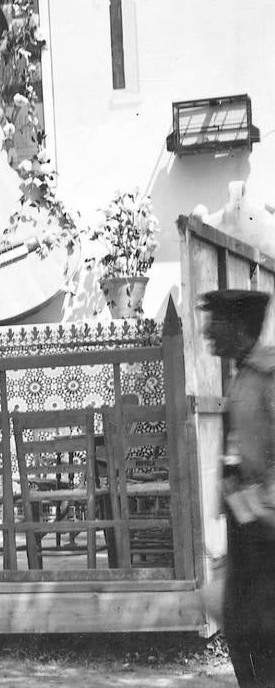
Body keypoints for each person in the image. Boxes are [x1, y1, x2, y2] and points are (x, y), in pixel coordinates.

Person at [201, 288, 275, 687]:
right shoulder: (242, 376)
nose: (208, 331)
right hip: (246, 534)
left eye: (216, 322)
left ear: (238, 327)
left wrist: (258, 509)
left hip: (268, 534)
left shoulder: (268, 377)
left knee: (264, 645)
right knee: (243, 637)